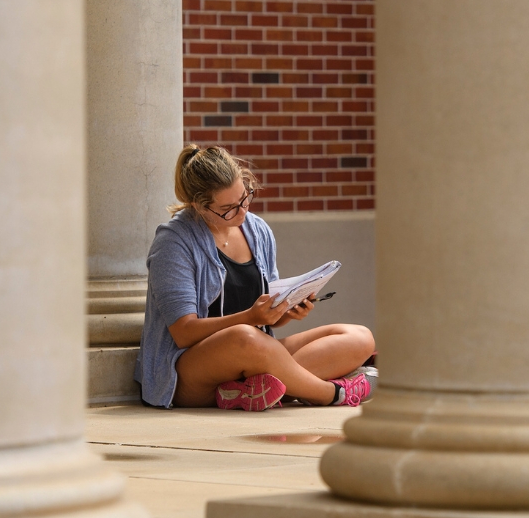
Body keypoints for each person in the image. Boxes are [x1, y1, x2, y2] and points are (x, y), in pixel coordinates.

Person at [135, 144, 376, 410]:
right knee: (245, 337)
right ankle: (331, 393)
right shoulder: (174, 241)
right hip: (190, 372)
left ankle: (253, 391)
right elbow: (183, 332)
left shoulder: (257, 230)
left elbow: (267, 313)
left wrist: (287, 310)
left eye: (245, 198)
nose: (242, 212)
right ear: (198, 206)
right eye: (228, 208)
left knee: (359, 336)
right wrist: (250, 318)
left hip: (257, 353)